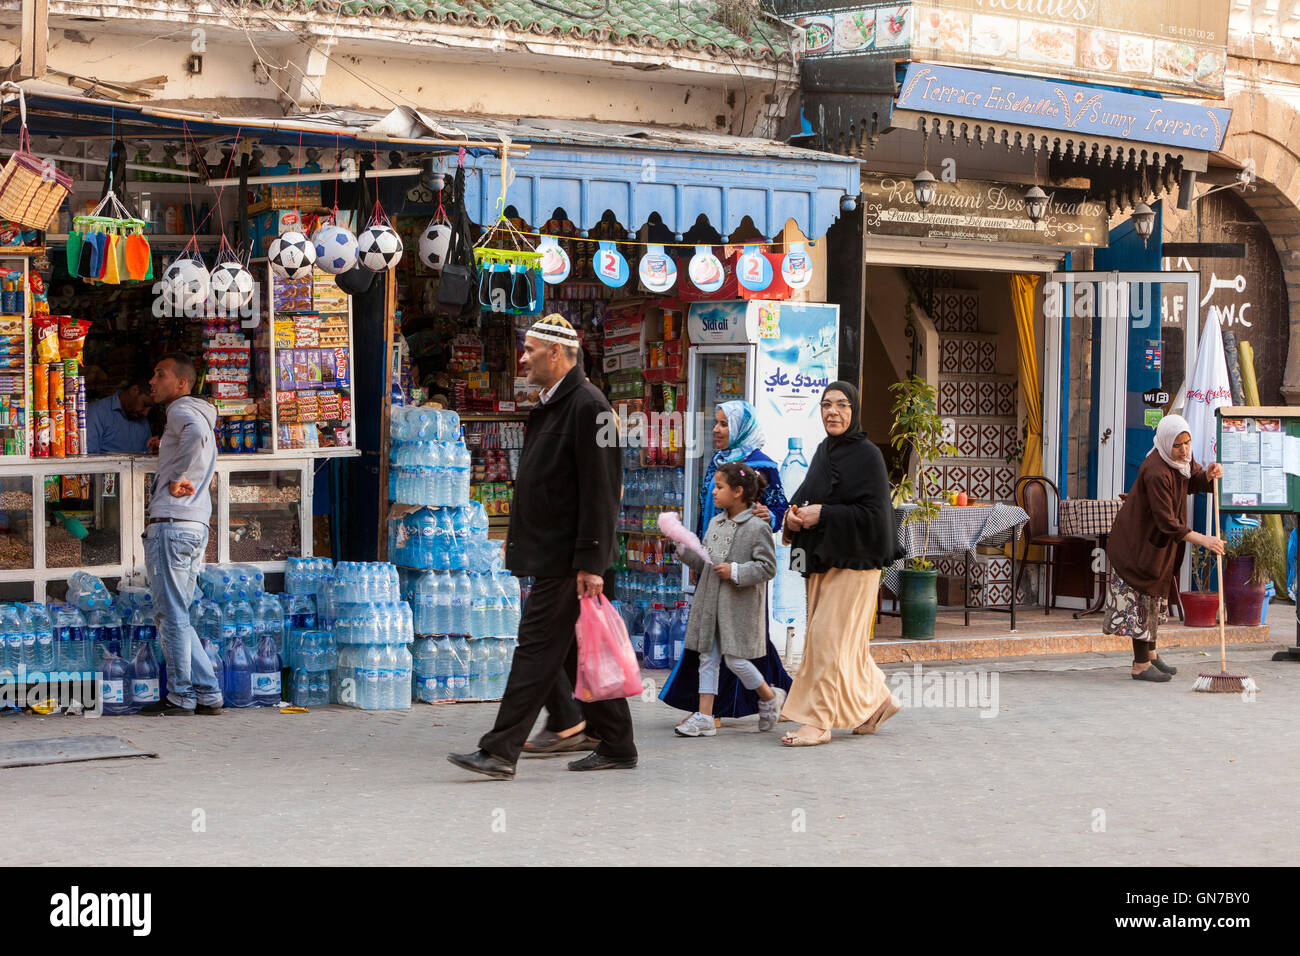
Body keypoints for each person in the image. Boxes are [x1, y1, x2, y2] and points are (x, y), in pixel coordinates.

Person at [448, 314, 636, 779]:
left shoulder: (591, 407)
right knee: (576, 648)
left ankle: (498, 751)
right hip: (555, 555)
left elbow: (602, 492)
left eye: (531, 349)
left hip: (572, 561)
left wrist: (592, 561)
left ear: (557, 354)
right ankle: (618, 743)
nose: (524, 357)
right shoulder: (552, 405)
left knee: (535, 650)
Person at [779, 381, 903, 746]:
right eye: (826, 405)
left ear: (855, 410)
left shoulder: (867, 456)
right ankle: (878, 703)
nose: (833, 412)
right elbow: (806, 496)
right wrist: (793, 516)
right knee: (842, 646)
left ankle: (818, 722)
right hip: (824, 559)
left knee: (826, 641)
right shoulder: (823, 451)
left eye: (842, 405)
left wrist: (825, 514)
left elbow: (876, 514)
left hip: (857, 562)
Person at [659, 400, 792, 725]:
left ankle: (718, 710)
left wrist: (768, 514)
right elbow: (707, 511)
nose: (716, 430)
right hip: (712, 561)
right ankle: (758, 700)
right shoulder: (718, 463)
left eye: (723, 424)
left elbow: (779, 511)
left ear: (740, 428)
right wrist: (695, 553)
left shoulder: (761, 466)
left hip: (743, 568)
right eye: (715, 423)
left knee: (738, 643)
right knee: (718, 642)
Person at [1103, 415, 1224, 682]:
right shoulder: (1156, 470)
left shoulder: (1179, 462)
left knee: (1155, 597)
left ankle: (1152, 656)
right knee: (1142, 598)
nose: (1184, 450)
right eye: (1178, 445)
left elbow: (1191, 480)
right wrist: (1204, 539)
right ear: (1166, 442)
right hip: (1137, 545)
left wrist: (1208, 475)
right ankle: (1140, 664)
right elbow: (1166, 521)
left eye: (1187, 443)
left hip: (1156, 545)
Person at [137, 353, 222, 716]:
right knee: (179, 614)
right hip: (195, 525)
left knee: (170, 616)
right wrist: (166, 449)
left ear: (182, 384)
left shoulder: (180, 410)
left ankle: (181, 696)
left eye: (161, 374)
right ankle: (209, 693)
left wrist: (177, 476)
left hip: (171, 526)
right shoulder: (199, 411)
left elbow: (195, 433)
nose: (152, 381)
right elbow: (195, 433)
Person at [674, 462, 782, 737]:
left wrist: (735, 571)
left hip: (737, 607)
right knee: (707, 658)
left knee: (735, 661)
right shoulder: (715, 522)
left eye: (719, 487)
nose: (713, 492)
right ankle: (705, 716)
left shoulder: (757, 528)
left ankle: (769, 696)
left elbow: (768, 568)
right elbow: (706, 561)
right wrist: (683, 549)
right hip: (710, 603)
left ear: (738, 491)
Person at [85, 379, 154, 455]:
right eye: (145, 404)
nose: (145, 413)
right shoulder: (97, 412)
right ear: (134, 390)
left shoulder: (142, 420)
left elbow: (148, 455)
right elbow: (88, 457)